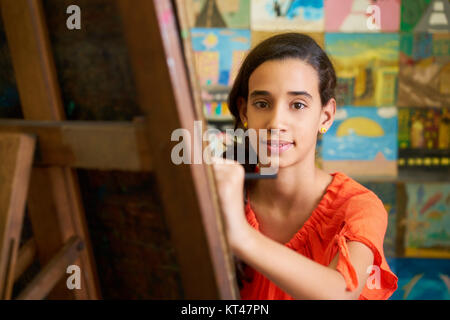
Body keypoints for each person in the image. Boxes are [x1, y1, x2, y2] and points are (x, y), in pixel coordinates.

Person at [211, 33, 398, 300]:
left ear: (326, 115)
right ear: (244, 112)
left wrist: (241, 236)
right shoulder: (220, 196)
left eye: (297, 105)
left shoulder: (359, 207)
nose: (276, 123)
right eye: (262, 104)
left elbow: (341, 294)